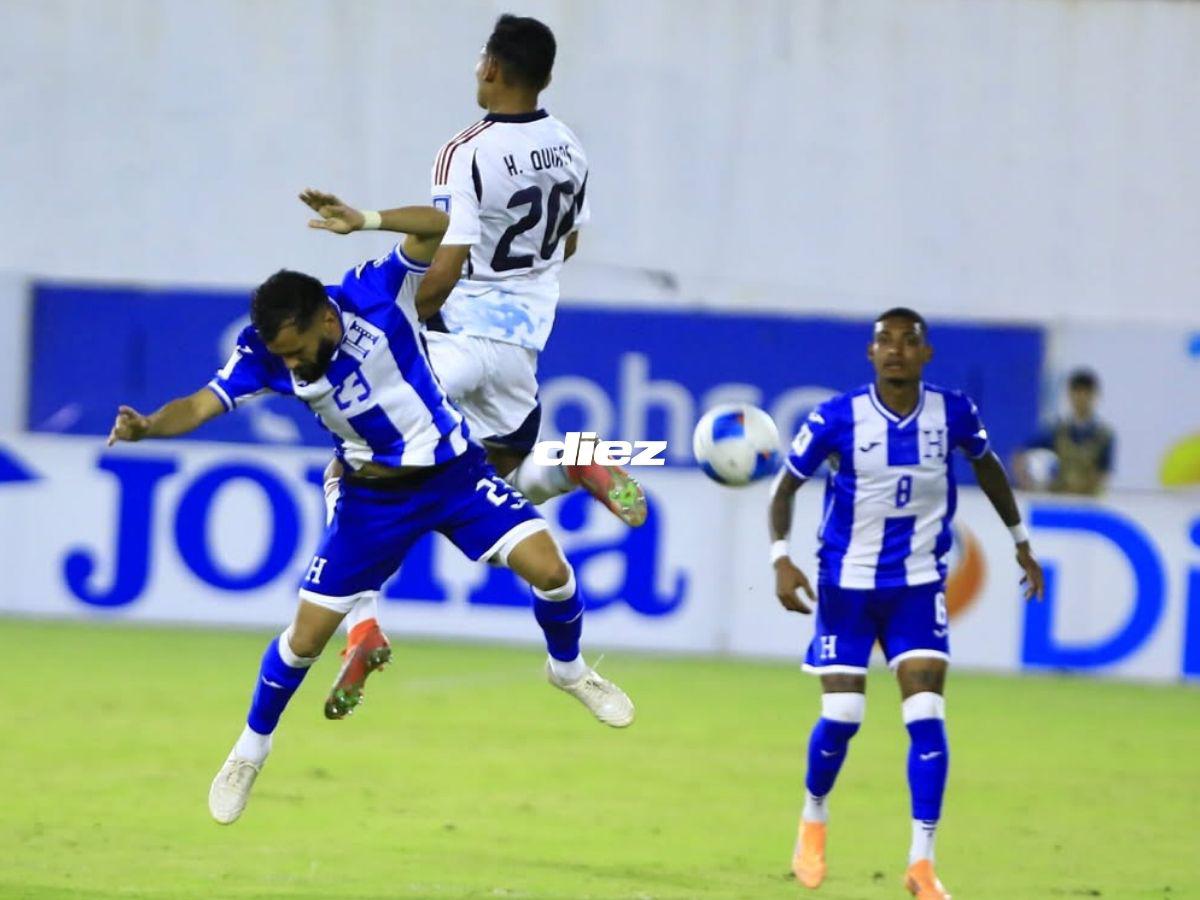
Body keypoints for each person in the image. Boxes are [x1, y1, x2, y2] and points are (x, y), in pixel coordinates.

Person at [106, 206, 635, 827]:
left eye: (301, 351)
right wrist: (148, 427)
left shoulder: (372, 291)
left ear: (326, 318)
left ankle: (568, 670)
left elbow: (445, 228)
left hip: (456, 474)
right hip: (372, 502)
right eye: (285, 358)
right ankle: (249, 751)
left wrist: (367, 218)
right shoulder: (266, 355)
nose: (296, 366)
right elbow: (199, 405)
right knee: (303, 642)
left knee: (552, 571)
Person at [300, 13, 645, 720]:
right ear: (543, 76)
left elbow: (446, 258)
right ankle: (571, 464)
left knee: (350, 468)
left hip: (458, 334)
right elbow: (567, 244)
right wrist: (367, 219)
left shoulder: (466, 150)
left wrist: (408, 322)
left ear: (491, 66)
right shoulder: (570, 147)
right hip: (522, 344)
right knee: (495, 479)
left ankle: (360, 622)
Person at [767, 308, 1044, 899]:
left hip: (918, 587)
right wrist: (780, 558)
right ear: (870, 355)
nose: (895, 349)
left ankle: (922, 862)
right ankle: (814, 814)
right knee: (844, 718)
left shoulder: (953, 412)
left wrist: (1022, 544)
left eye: (908, 341)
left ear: (927, 355)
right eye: (883, 341)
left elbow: (989, 468)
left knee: (927, 718)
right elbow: (785, 485)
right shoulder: (836, 417)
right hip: (846, 585)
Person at [1015, 368, 1115, 495]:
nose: (1082, 397)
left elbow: (1104, 473)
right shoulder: (1056, 431)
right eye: (1077, 391)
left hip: (1089, 502)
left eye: (1087, 392)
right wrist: (1027, 484)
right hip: (1059, 500)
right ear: (1070, 394)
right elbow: (1020, 454)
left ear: (1095, 395)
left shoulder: (1104, 436)